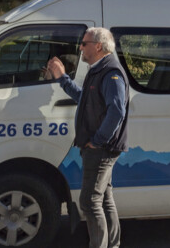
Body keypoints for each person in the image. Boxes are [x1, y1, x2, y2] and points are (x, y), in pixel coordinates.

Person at [46, 27, 128, 248]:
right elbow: (85, 99)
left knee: (90, 202)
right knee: (104, 200)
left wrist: (98, 140)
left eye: (84, 44)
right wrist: (63, 79)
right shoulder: (99, 70)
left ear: (98, 46)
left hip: (101, 149)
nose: (80, 48)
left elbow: (117, 111)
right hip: (99, 146)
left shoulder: (111, 73)